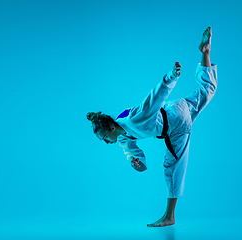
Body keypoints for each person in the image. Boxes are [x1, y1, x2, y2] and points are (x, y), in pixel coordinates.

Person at [86, 27, 217, 227]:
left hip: (176, 125)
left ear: (111, 128)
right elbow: (134, 155)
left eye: (104, 136)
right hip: (177, 108)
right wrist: (135, 162)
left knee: (172, 168)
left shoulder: (132, 119)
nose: (105, 142)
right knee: (207, 91)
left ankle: (169, 216)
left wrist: (171, 76)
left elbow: (153, 98)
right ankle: (205, 52)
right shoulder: (122, 135)